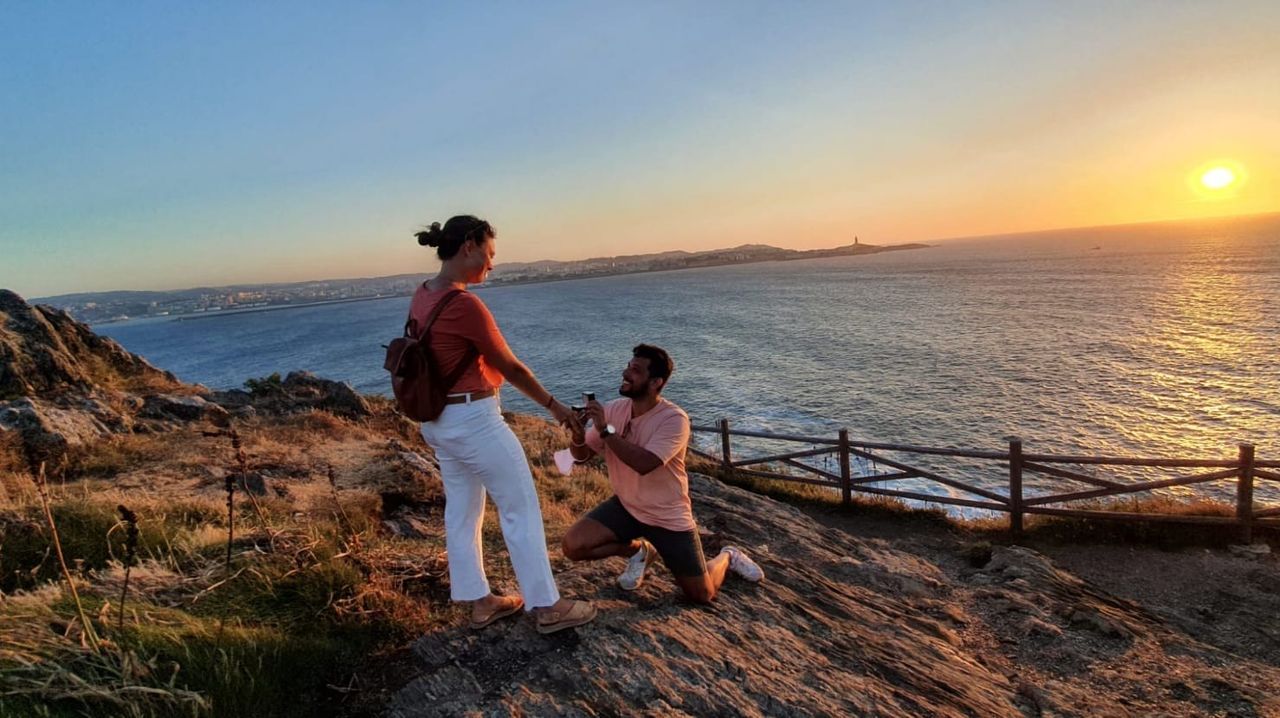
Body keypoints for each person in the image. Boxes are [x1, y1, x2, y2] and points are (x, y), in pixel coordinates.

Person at [409, 215, 594, 634]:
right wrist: (555, 407)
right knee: (520, 508)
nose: (491, 265)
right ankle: (548, 607)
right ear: (469, 246)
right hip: (474, 420)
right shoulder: (464, 304)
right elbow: (509, 366)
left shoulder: (423, 295)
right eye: (490, 255)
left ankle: (480, 602)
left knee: (462, 511)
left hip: (438, 422)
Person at [561, 344, 763, 603]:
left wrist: (605, 431)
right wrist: (578, 436)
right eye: (628, 366)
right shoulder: (615, 409)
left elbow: (645, 464)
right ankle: (641, 552)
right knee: (573, 545)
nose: (625, 373)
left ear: (656, 382)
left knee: (702, 594)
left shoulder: (674, 419)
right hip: (627, 506)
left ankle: (729, 556)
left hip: (668, 516)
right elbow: (581, 457)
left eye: (635, 370)